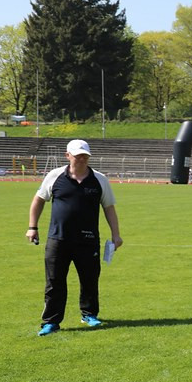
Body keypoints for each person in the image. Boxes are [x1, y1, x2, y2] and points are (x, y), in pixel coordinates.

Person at [26, 140, 123, 336]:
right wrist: (32, 227)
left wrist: (116, 234)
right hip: (58, 239)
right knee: (54, 282)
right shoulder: (54, 176)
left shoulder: (99, 179)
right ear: (67, 155)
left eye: (85, 155)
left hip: (88, 240)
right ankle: (51, 322)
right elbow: (38, 200)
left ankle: (89, 315)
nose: (81, 159)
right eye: (78, 155)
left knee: (89, 279)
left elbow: (109, 208)